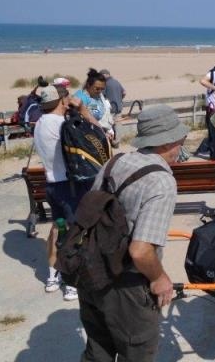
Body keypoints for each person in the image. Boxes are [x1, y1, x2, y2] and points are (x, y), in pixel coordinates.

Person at [78, 105, 188, 361]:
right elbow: (140, 250)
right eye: (181, 140)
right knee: (136, 352)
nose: (182, 146)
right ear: (168, 142)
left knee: (98, 350)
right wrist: (160, 278)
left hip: (92, 271)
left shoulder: (115, 161)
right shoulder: (161, 181)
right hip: (126, 285)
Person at [34, 85, 94, 301]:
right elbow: (96, 137)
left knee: (58, 228)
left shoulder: (40, 123)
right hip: (69, 187)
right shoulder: (62, 124)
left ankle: (53, 274)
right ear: (61, 101)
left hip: (52, 185)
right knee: (74, 233)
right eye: (67, 96)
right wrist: (84, 111)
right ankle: (72, 279)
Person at [100, 69, 126, 144]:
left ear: (104, 75)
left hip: (110, 108)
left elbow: (101, 96)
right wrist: (120, 99)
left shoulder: (105, 84)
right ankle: (117, 141)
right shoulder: (116, 82)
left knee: (108, 125)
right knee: (118, 124)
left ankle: (109, 142)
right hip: (119, 107)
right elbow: (124, 92)